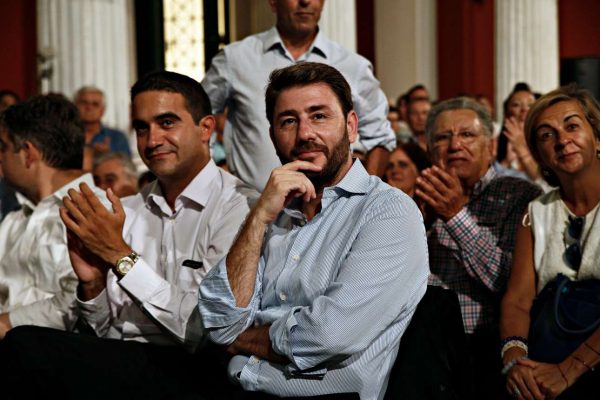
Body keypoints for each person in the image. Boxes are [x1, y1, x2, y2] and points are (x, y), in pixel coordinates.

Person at [0, 71, 256, 399]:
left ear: (205, 128)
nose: (152, 140)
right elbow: (102, 330)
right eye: (141, 128)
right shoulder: (128, 209)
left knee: (24, 345)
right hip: (122, 360)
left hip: (198, 367)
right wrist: (92, 285)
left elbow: (206, 329)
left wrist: (121, 257)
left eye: (167, 123)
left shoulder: (239, 205)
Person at [198, 62, 428, 399]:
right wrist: (258, 217)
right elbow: (217, 316)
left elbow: (328, 335)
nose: (305, 133)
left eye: (319, 116)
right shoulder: (273, 213)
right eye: (288, 121)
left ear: (351, 126)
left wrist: (240, 338)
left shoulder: (388, 211)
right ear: (273, 136)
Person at [418, 97, 541, 399]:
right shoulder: (414, 198)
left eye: (467, 135)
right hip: (424, 345)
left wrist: (455, 216)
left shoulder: (520, 196)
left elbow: (509, 282)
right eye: (443, 137)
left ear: (491, 146)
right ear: (429, 149)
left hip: (487, 348)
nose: (454, 145)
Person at [201, 0, 395, 190]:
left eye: (319, 116)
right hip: (252, 204)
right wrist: (211, 187)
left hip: (333, 208)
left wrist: (359, 199)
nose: (306, 1)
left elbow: (380, 138)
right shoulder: (235, 59)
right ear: (273, 2)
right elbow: (198, 120)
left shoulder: (353, 66)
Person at [500, 85, 600, 400]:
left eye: (572, 126)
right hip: (548, 358)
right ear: (540, 156)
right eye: (547, 135)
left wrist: (569, 370)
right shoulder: (536, 212)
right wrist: (514, 358)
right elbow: (518, 299)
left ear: (597, 138)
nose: (562, 140)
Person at [0, 93, 108, 339]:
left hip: (62, 354)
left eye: (3, 148)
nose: (0, 159)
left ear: (28, 153)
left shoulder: (98, 212)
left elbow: (81, 303)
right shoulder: (13, 222)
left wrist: (6, 323)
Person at [74, 86, 132, 171]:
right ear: (75, 106)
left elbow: (128, 171)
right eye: (84, 103)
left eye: (95, 104)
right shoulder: (66, 136)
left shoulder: (117, 138)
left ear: (102, 111)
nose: (89, 108)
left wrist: (106, 157)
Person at [496, 83, 539, 181]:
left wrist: (521, 148)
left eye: (530, 105)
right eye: (516, 105)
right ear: (507, 112)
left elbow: (543, 182)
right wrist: (506, 162)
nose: (524, 109)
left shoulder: (543, 141)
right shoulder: (495, 142)